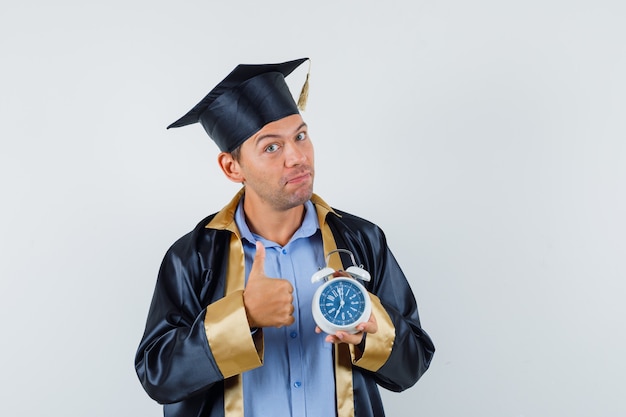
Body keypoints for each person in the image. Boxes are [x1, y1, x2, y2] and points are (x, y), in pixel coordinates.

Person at [135, 57, 435, 417]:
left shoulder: (361, 241)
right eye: (271, 147)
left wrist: (371, 330)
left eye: (301, 136)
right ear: (232, 167)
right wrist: (242, 316)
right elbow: (158, 376)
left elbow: (414, 362)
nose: (297, 157)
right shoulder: (194, 257)